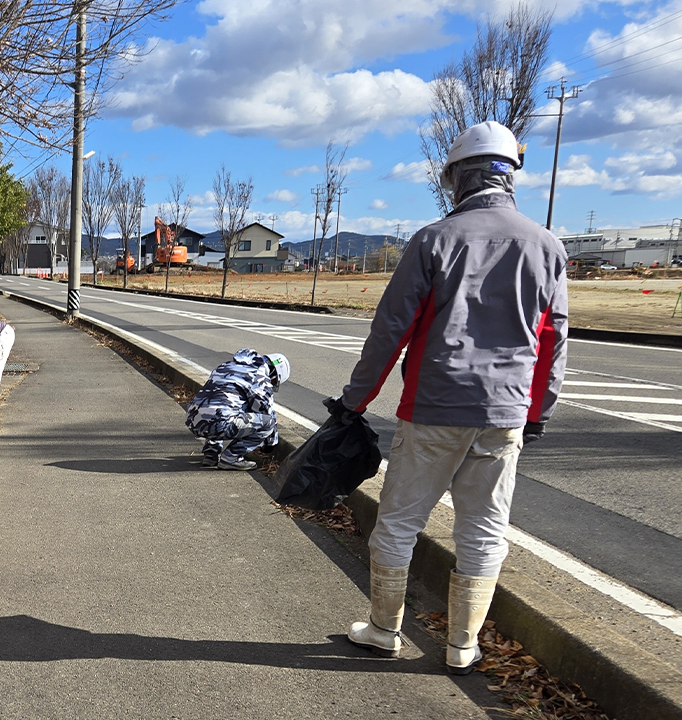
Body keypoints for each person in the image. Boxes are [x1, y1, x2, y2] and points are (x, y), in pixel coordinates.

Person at [333, 121, 567, 674]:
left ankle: (384, 630)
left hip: (434, 408)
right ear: (511, 175)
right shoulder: (547, 245)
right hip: (505, 412)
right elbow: (552, 341)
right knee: (485, 528)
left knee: (399, 521)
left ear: (458, 176)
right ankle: (463, 644)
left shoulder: (434, 240)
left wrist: (354, 401)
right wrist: (538, 412)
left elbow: (391, 331)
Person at [185, 349, 290, 470]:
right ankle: (231, 458)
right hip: (218, 423)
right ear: (274, 374)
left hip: (193, 419)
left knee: (220, 408)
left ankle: (211, 453)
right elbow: (266, 410)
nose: (271, 384)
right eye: (274, 381)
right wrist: (270, 443)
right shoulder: (259, 375)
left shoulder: (225, 366)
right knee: (268, 422)